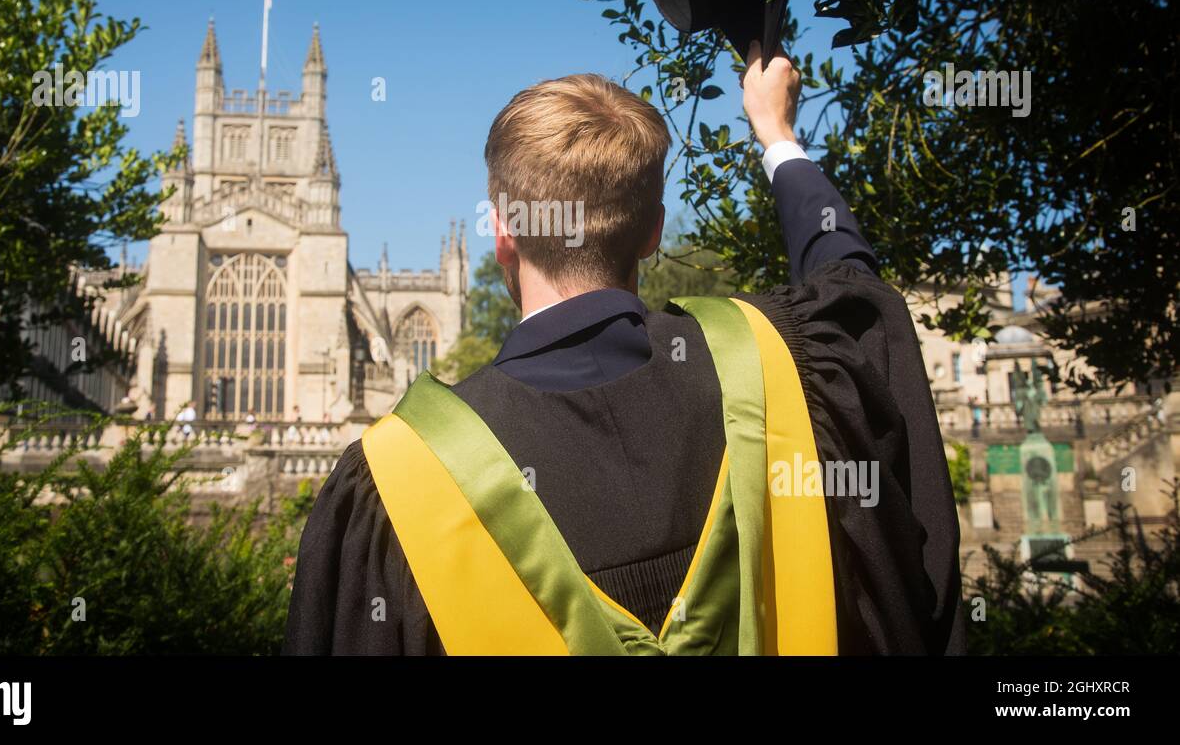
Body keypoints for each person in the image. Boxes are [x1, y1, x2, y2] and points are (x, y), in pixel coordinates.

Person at [283, 43, 964, 655]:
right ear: (653, 233)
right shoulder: (783, 371)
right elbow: (853, 295)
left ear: (501, 236)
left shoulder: (396, 480)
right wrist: (777, 135)